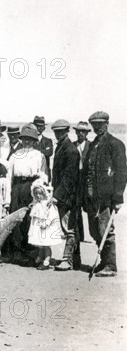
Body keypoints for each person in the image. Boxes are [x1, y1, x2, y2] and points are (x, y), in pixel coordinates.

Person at [81, 111, 127, 277]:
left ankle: (110, 265)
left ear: (106, 124)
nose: (97, 128)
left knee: (106, 230)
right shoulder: (93, 144)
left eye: (100, 125)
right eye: (94, 125)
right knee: (94, 232)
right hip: (92, 196)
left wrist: (118, 198)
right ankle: (104, 260)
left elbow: (121, 173)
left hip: (106, 198)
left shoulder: (115, 144)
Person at [8, 124, 48, 263]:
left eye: (30, 139)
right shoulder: (15, 155)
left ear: (35, 141)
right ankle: (17, 252)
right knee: (16, 217)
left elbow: (43, 175)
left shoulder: (39, 155)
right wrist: (8, 196)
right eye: (24, 139)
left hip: (32, 187)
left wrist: (38, 189)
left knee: (30, 219)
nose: (27, 142)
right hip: (17, 187)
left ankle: (30, 252)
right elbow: (9, 177)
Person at [49, 120, 80, 271]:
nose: (58, 134)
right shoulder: (62, 147)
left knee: (69, 228)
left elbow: (69, 177)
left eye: (61, 132)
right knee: (66, 226)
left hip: (68, 196)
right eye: (56, 132)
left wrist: (57, 195)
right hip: (63, 194)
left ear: (67, 131)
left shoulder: (70, 150)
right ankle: (72, 259)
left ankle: (68, 260)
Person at [28, 179, 64, 270]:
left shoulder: (48, 204)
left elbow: (52, 215)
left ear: (44, 193)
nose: (38, 196)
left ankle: (46, 261)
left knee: (46, 245)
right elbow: (34, 214)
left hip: (45, 227)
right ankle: (39, 258)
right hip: (38, 227)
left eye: (40, 194)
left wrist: (47, 223)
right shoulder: (36, 204)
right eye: (36, 194)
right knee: (40, 245)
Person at [73, 121, 91, 243]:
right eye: (78, 131)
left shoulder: (91, 145)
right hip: (75, 181)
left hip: (87, 181)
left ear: (86, 133)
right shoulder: (72, 145)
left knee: (89, 207)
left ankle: (93, 234)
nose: (80, 134)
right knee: (76, 207)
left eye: (83, 131)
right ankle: (78, 235)